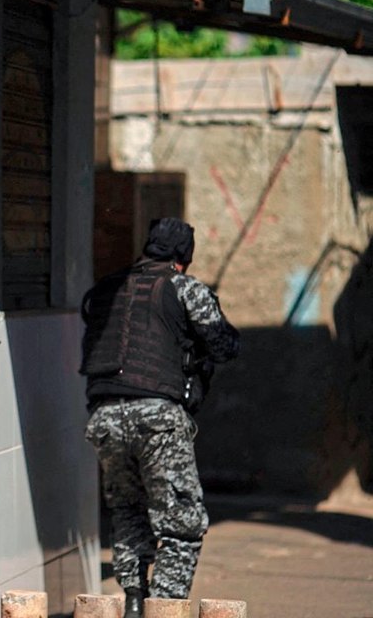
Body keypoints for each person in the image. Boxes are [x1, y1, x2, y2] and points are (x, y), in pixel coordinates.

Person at [79, 218, 241, 618]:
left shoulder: (105, 289)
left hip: (104, 416)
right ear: (183, 258)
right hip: (158, 417)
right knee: (181, 520)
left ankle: (134, 601)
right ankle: (164, 607)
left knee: (128, 510)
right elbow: (224, 344)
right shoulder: (183, 287)